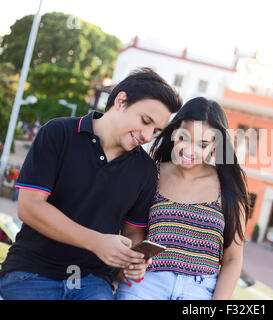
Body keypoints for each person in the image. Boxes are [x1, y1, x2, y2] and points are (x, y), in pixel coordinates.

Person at [0, 68, 182, 300]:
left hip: (92, 282)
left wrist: (133, 259)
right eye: (145, 121)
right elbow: (29, 207)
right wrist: (96, 242)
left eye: (155, 131)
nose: (147, 136)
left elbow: (133, 231)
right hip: (31, 273)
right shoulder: (58, 133)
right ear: (121, 101)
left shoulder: (145, 170)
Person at [115, 97, 250, 300]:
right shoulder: (152, 173)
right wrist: (136, 259)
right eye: (183, 138)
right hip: (147, 283)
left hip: (200, 290)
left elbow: (233, 259)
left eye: (202, 144)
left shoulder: (229, 184)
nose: (189, 150)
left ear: (216, 145)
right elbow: (133, 230)